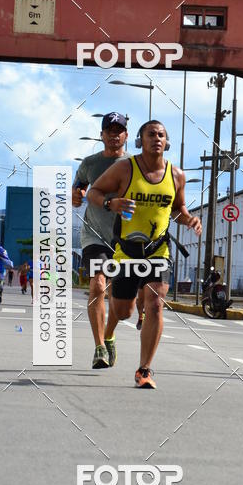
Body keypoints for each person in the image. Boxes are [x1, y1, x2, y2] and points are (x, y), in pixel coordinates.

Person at [87, 119, 202, 388]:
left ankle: (145, 370)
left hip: (158, 249)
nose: (157, 139)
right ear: (140, 141)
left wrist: (190, 219)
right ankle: (109, 335)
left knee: (154, 303)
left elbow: (178, 209)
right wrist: (110, 202)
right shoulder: (125, 168)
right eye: (151, 134)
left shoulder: (177, 175)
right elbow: (94, 192)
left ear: (167, 141)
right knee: (124, 310)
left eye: (161, 135)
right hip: (127, 251)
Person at [72, 112, 129, 368]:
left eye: (120, 130)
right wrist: (76, 195)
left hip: (125, 237)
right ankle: (99, 348)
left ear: (126, 136)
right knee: (97, 285)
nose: (114, 134)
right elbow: (79, 186)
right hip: (93, 234)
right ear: (102, 134)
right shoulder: (90, 163)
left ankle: (109, 335)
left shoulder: (135, 164)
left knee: (121, 298)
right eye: (110, 130)